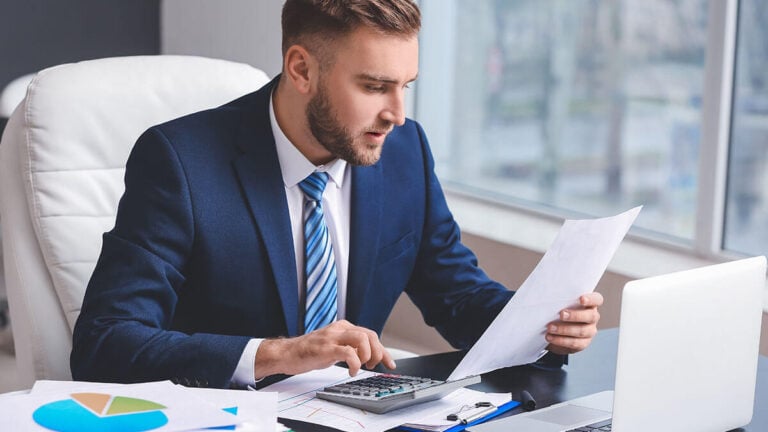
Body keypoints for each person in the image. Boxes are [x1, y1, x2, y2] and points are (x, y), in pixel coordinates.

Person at [71, 0, 603, 389]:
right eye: (374, 87)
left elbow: (457, 295)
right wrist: (281, 353)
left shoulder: (403, 151)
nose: (397, 114)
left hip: (352, 414)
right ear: (302, 69)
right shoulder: (180, 161)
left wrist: (542, 326)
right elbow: (105, 342)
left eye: (405, 86)